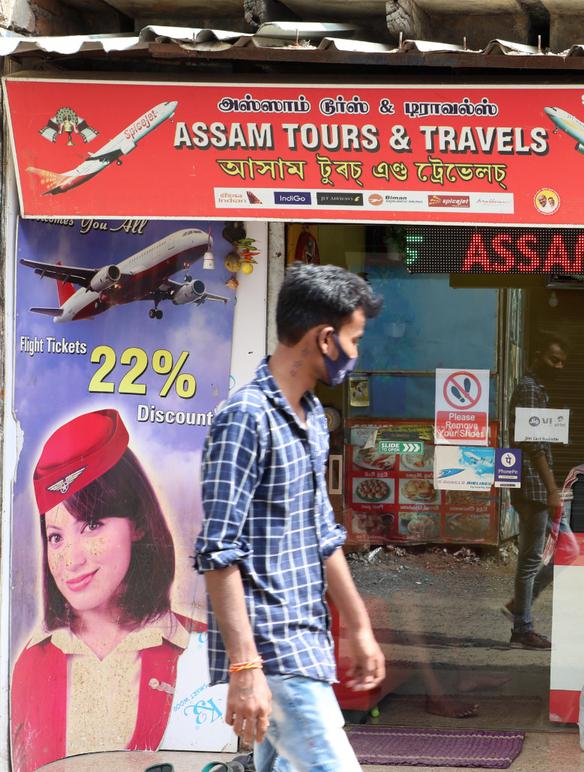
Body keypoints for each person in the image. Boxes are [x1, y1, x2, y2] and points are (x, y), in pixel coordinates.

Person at [195, 263, 385, 771]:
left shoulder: (313, 416)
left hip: (307, 642)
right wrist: (245, 667)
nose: (356, 353)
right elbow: (217, 554)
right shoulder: (245, 418)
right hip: (273, 650)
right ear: (326, 339)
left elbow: (323, 534)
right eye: (354, 338)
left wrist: (358, 627)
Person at [11, 409, 202, 772]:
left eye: (92, 524)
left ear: (139, 524)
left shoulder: (196, 648)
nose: (71, 560)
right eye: (56, 537)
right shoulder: (30, 662)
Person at [503, 331, 569, 650]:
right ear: (539, 354)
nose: (558, 366)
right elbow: (533, 444)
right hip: (532, 486)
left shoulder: (537, 390)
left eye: (562, 363)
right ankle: (522, 627)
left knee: (567, 550)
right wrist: (552, 488)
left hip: (535, 486)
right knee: (531, 559)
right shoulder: (529, 390)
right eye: (553, 359)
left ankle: (520, 605)